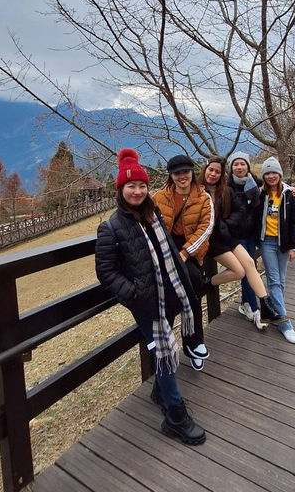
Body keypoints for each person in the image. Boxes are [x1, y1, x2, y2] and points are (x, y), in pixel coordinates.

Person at [95, 148, 206, 444]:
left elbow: (168, 248)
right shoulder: (111, 227)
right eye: (131, 186)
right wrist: (134, 294)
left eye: (142, 185)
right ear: (120, 189)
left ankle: (160, 390)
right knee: (166, 349)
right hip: (146, 302)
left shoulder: (153, 213)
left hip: (168, 291)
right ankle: (175, 415)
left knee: (164, 348)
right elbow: (106, 273)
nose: (138, 191)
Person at [197, 156, 284, 324]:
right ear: (205, 169)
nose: (213, 174)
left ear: (222, 174)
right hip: (212, 240)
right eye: (211, 170)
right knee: (239, 271)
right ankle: (207, 283)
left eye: (218, 172)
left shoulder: (224, 190)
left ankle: (265, 305)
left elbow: (270, 188)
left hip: (227, 236)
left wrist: (290, 189)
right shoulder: (197, 190)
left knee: (250, 264)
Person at [152, 154, 213, 371]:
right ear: (171, 175)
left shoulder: (203, 198)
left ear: (192, 173)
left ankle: (189, 342)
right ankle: (193, 343)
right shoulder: (160, 197)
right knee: (184, 290)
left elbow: (205, 228)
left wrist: (186, 253)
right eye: (177, 173)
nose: (182, 177)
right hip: (166, 248)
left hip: (189, 248)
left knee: (192, 280)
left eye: (185, 172)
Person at [257, 156, 295, 344]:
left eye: (274, 172)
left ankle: (275, 312)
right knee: (274, 281)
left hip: (283, 243)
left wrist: (294, 246)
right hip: (267, 242)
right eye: (267, 173)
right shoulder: (260, 194)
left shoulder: (290, 194)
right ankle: (285, 324)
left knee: (281, 281)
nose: (271, 176)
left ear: (280, 174)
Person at [227, 151, 264, 328]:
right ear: (231, 167)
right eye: (236, 164)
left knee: (249, 268)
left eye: (242, 164)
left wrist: (291, 190)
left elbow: (276, 185)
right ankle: (255, 309)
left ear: (248, 166)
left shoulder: (256, 184)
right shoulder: (226, 187)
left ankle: (245, 303)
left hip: (251, 234)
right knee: (249, 269)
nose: (239, 167)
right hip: (235, 236)